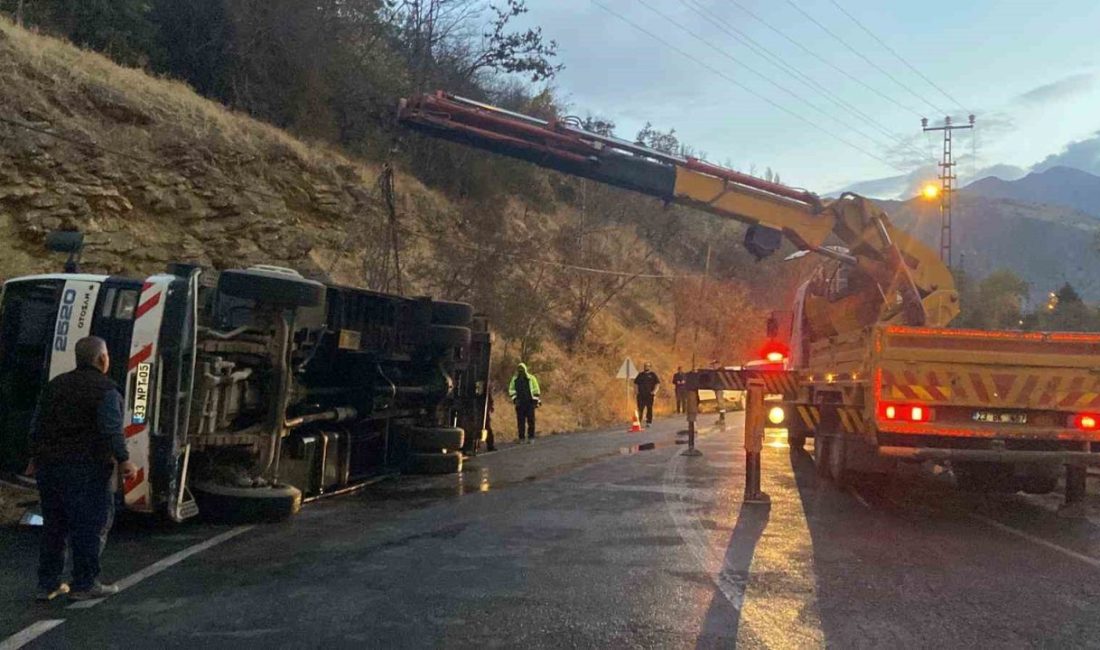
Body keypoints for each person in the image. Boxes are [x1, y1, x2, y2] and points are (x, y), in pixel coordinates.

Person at [26, 336, 137, 602]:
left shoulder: (56, 386)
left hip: (49, 467)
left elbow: (38, 423)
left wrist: (33, 457)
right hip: (86, 468)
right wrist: (124, 459)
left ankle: (47, 584)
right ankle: (85, 583)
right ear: (102, 359)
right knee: (91, 525)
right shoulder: (106, 390)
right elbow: (111, 430)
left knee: (55, 526)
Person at [508, 363, 541, 443]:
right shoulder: (514, 379)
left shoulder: (531, 378)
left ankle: (531, 437)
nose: (520, 371)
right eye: (519, 369)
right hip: (520, 403)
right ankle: (521, 438)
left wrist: (535, 401)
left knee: (531, 421)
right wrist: (515, 400)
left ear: (525, 369)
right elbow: (511, 390)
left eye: (521, 369)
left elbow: (536, 390)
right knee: (520, 422)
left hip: (529, 403)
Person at [633, 363, 661, 427]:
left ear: (650, 367)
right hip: (641, 395)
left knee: (649, 408)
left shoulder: (653, 375)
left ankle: (649, 422)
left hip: (649, 395)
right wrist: (636, 391)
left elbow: (657, 384)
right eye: (645, 366)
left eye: (648, 366)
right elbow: (635, 383)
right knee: (640, 408)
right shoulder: (640, 375)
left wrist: (654, 392)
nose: (646, 367)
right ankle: (638, 421)